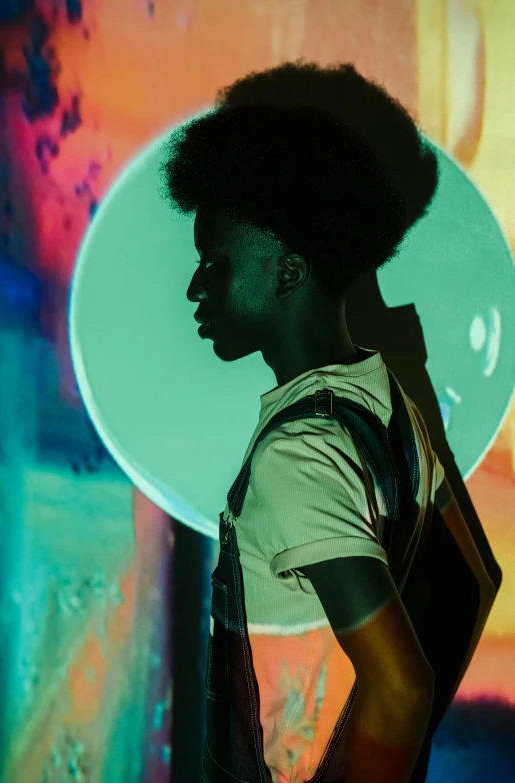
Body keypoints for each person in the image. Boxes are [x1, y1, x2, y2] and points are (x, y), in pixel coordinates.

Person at [157, 61, 450, 783]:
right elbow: (459, 585)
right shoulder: (387, 401)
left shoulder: (300, 454)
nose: (196, 286)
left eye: (214, 262)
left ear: (287, 272)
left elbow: (403, 687)